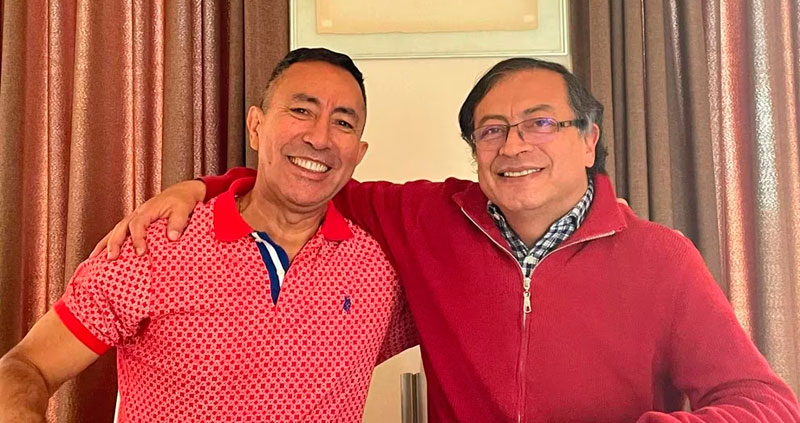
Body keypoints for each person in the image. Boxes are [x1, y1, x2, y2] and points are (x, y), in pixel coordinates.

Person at [96, 57, 800, 422]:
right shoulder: (430, 218)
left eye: (541, 123)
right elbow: (307, 175)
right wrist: (205, 187)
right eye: (492, 130)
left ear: (589, 139)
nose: (514, 144)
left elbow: (767, 402)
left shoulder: (661, 259)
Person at [0, 48, 416, 423]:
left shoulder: (381, 270)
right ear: (256, 126)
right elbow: (27, 366)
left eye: (342, 122)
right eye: (301, 110)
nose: (319, 137)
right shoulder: (156, 244)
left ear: (358, 153)